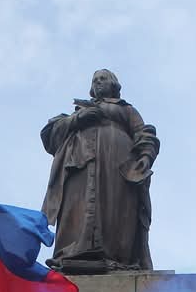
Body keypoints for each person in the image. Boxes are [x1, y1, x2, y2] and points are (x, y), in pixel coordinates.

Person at [41, 69, 160, 272]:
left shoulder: (125, 109)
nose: (98, 83)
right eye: (94, 80)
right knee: (78, 206)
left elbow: (144, 133)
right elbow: (50, 135)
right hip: (80, 165)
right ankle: (72, 254)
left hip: (117, 167)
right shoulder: (79, 111)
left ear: (113, 84)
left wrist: (146, 156)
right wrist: (78, 119)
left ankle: (117, 257)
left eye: (102, 79)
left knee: (115, 207)